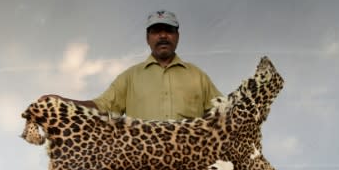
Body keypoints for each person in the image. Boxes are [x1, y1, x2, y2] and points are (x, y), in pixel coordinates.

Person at [47, 10, 222, 121]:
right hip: (143, 168)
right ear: (147, 38)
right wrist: (63, 103)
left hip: (189, 167)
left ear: (177, 36)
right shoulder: (130, 77)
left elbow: (223, 113)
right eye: (156, 31)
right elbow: (102, 107)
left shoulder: (197, 76)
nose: (163, 35)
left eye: (168, 30)